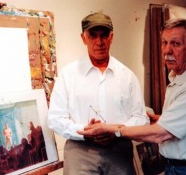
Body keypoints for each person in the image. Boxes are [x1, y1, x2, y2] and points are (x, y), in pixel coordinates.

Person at [78, 18, 186, 175]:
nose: (167, 50)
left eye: (175, 44)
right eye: (164, 43)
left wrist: (114, 130)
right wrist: (162, 119)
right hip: (181, 167)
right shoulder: (181, 76)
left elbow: (161, 134)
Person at [47, 11, 149, 175]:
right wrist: (86, 132)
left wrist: (115, 130)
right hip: (80, 152)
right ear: (83, 38)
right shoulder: (68, 75)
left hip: (119, 152)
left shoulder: (127, 76)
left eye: (104, 35)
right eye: (93, 35)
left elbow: (141, 118)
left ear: (112, 37)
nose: (99, 42)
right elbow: (55, 119)